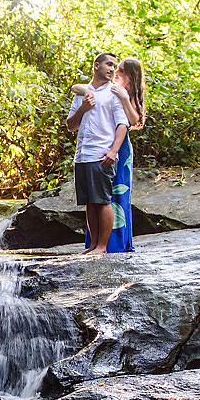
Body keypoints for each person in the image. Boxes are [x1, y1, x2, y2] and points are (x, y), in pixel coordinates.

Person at [71, 56, 146, 253]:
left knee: (112, 197)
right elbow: (76, 90)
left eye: (119, 69)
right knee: (93, 199)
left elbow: (131, 122)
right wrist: (85, 94)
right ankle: (94, 244)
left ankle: (111, 245)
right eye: (113, 66)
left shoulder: (120, 93)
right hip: (88, 152)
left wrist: (113, 149)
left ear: (130, 75)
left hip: (116, 146)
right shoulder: (105, 89)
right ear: (97, 66)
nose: (116, 71)